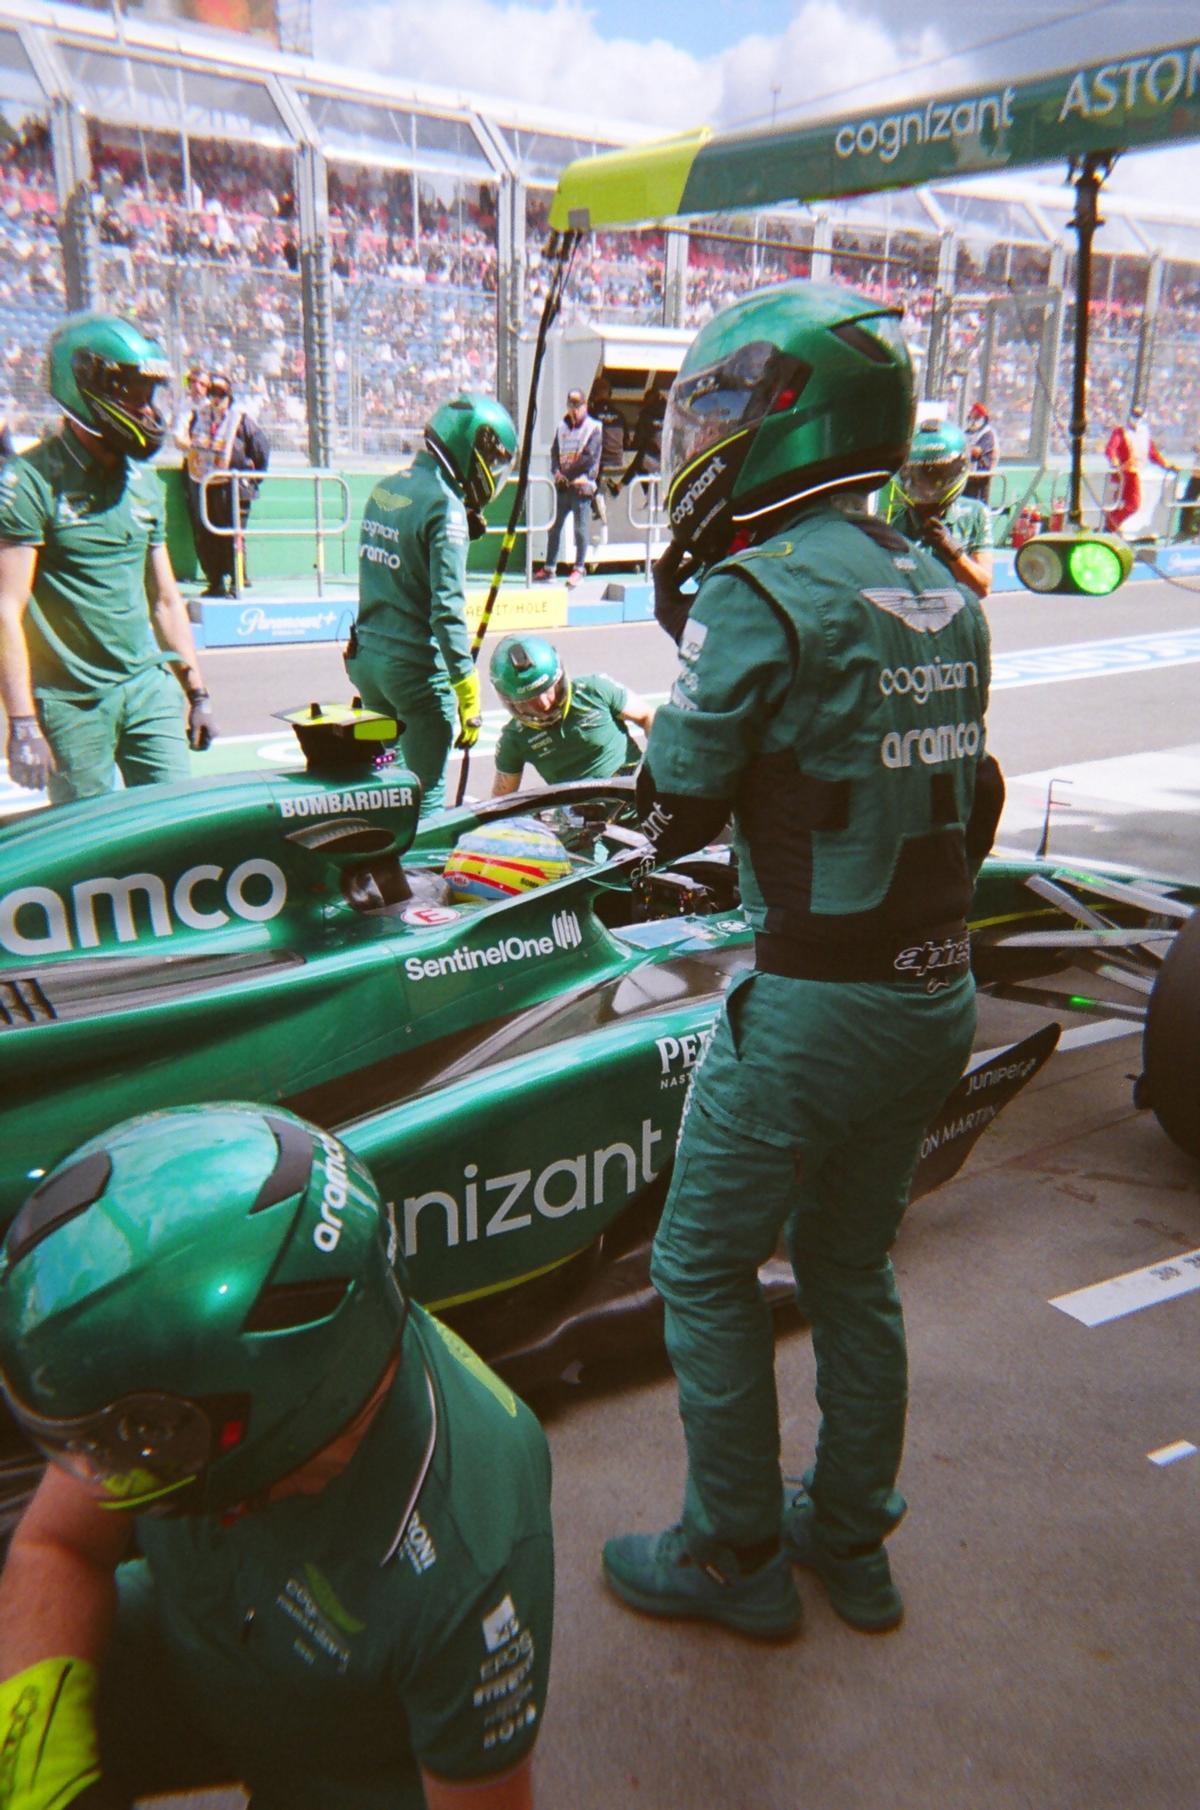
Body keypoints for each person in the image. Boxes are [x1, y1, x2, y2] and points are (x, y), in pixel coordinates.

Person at [602, 280, 1003, 1640]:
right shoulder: (949, 588)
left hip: (816, 1005)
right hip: (938, 992)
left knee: (701, 1267)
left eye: (716, 404)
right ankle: (854, 1539)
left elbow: (678, 798)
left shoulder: (752, 586)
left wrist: (680, 666)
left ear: (785, 414)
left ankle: (732, 1557)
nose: (699, 434)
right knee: (851, 1269)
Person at [0, 1102, 554, 1810]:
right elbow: (56, 1546)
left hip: (342, 1773)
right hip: (199, 1641)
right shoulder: (202, 1366)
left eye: (138, 1446)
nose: (109, 1472)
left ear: (260, 1429)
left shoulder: (474, 1556)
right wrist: (39, 1777)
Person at [0, 311, 216, 805]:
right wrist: (22, 722)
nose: (146, 411)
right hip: (72, 703)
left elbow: (165, 600)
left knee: (178, 826)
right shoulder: (29, 481)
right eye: (131, 394)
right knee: (93, 850)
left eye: (148, 395)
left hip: (148, 687)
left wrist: (196, 692)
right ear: (83, 386)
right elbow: (5, 610)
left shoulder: (142, 483)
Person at [347, 392, 517, 815]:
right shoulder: (445, 506)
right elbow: (446, 610)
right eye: (493, 460)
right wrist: (467, 688)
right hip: (415, 677)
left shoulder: (386, 487)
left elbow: (399, 562)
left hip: (367, 666)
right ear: (473, 447)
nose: (493, 474)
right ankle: (420, 880)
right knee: (426, 798)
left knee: (385, 785)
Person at [488, 633, 653, 796]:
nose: (544, 704)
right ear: (511, 702)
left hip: (639, 802)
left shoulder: (595, 690)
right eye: (528, 701)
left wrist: (660, 767)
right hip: (579, 818)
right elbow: (500, 801)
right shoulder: (514, 738)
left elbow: (648, 716)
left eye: (547, 690)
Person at [888, 419, 994, 599]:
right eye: (918, 478)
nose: (926, 489)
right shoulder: (894, 524)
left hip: (958, 618)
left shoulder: (975, 514)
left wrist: (950, 548)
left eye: (934, 478)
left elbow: (982, 588)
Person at [532, 389, 601, 589]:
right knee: (554, 528)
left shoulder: (593, 427)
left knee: (580, 529)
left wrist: (566, 474)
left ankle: (579, 568)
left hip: (582, 487)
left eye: (578, 406)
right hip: (563, 487)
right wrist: (556, 472)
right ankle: (549, 568)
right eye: (571, 406)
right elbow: (555, 452)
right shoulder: (562, 427)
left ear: (585, 406)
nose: (574, 410)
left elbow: (588, 458)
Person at [1104, 404, 1175, 536]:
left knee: (1129, 505)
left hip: (1134, 473)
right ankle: (1109, 528)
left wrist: (1166, 465)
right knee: (1127, 504)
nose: (1136, 419)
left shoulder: (1144, 433)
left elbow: (1152, 454)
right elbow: (1110, 449)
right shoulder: (1121, 431)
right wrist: (1114, 460)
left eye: (1139, 416)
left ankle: (1110, 528)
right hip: (1123, 473)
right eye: (1134, 415)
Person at [963, 400, 998, 505]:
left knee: (977, 506)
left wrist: (964, 449)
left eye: (976, 417)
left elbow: (977, 451)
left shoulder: (987, 434)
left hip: (980, 479)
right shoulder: (967, 432)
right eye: (971, 417)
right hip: (966, 477)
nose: (972, 420)